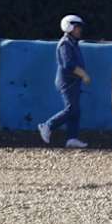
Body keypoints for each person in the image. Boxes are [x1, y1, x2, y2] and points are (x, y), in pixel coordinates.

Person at [38, 15, 91, 148]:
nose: (79, 30)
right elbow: (68, 64)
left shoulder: (73, 43)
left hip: (73, 81)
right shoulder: (65, 44)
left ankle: (71, 138)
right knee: (71, 108)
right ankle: (48, 126)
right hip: (67, 82)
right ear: (69, 27)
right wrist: (83, 74)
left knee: (75, 110)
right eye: (77, 27)